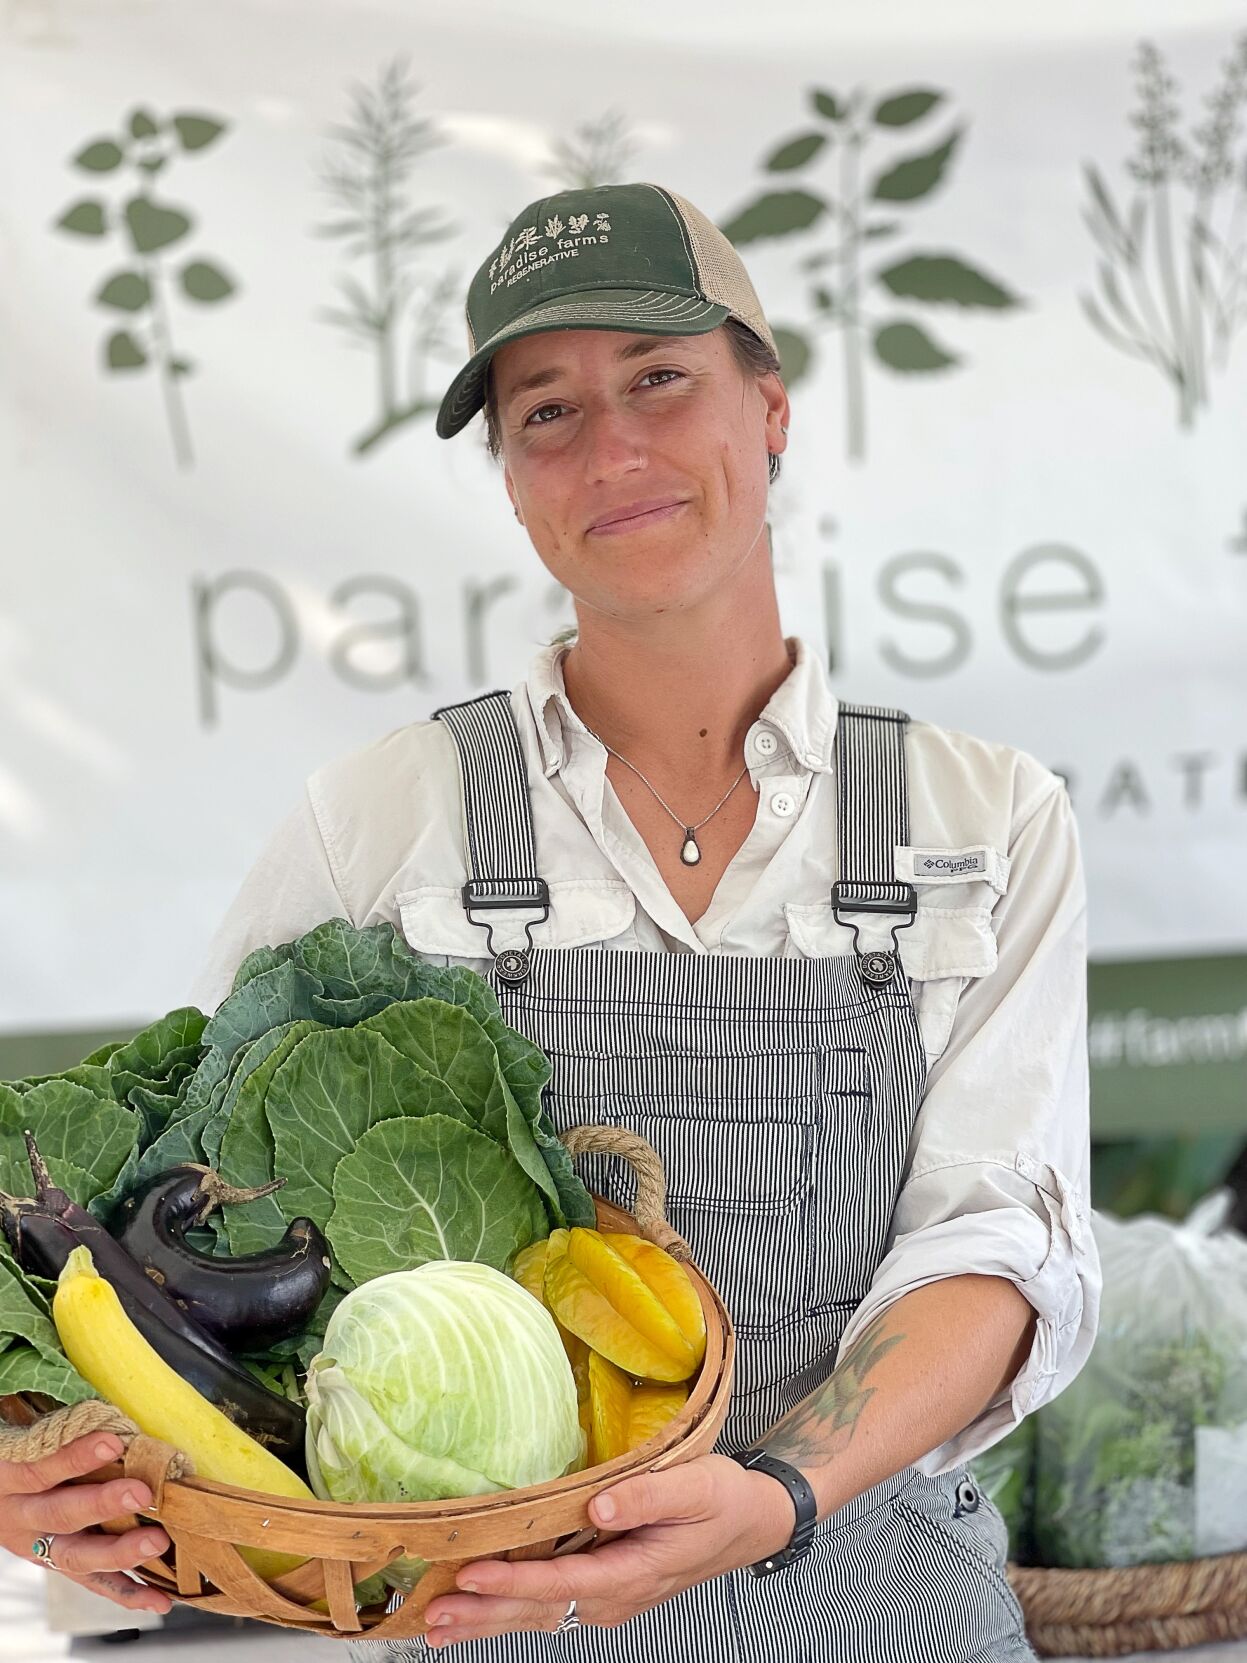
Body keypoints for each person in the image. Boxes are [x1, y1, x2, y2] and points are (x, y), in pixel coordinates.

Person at [1, 182, 1100, 1661]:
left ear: (769, 408)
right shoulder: (380, 821)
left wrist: (777, 1489)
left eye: (661, 380)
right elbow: (157, 1225)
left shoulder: (986, 825)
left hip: (873, 1588)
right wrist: (44, 1471)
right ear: (512, 481)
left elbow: (996, 1248)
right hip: (491, 1611)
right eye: (548, 414)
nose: (616, 449)